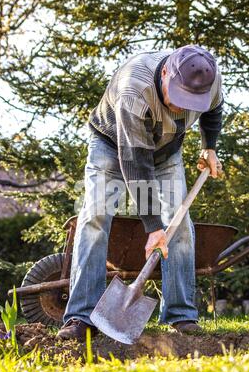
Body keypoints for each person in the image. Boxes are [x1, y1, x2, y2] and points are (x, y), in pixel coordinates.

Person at [57, 44, 223, 341]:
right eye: (179, 96)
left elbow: (214, 110)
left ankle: (181, 314)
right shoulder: (135, 88)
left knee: (180, 225)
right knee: (95, 217)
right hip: (110, 145)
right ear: (165, 74)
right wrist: (153, 228)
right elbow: (136, 164)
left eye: (190, 101)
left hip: (167, 151)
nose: (181, 108)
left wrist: (208, 147)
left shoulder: (208, 80)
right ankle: (81, 316)